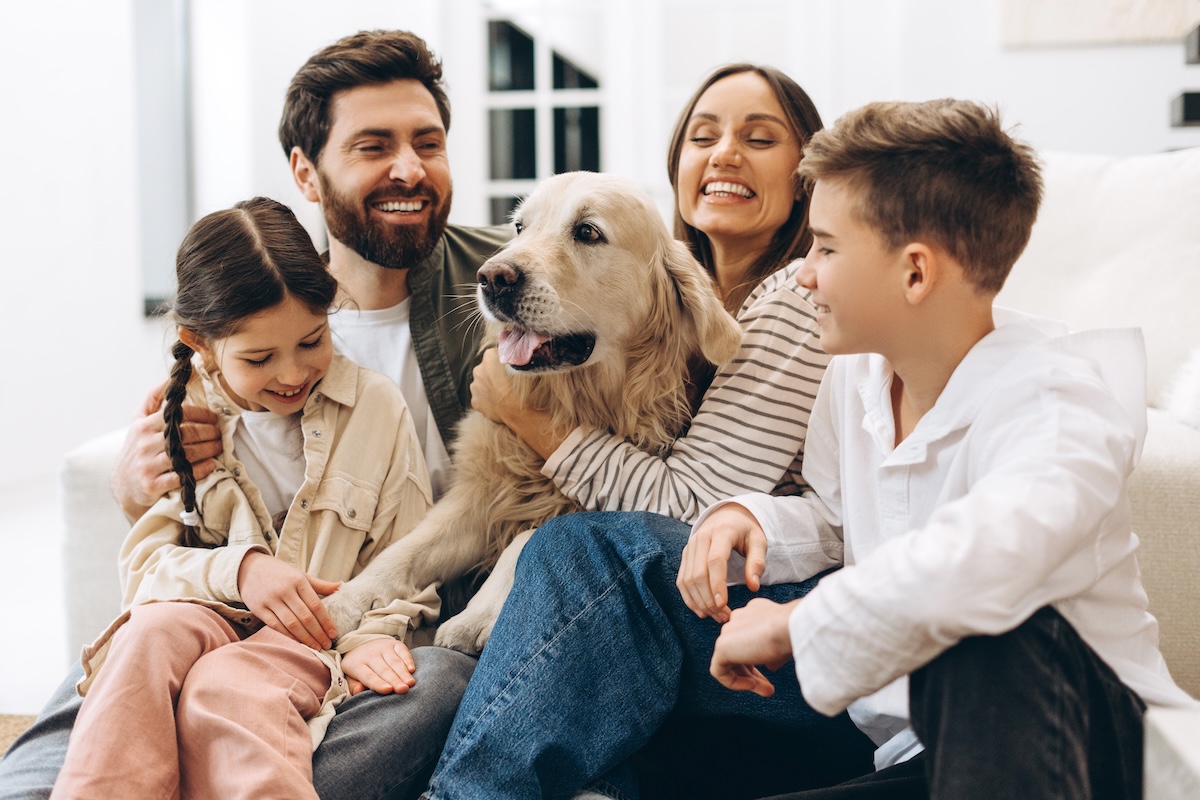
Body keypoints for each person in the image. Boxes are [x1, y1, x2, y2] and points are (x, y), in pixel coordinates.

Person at [424, 99, 1199, 800]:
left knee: (994, 640)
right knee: (591, 549)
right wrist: (750, 519)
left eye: (825, 249)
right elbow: (835, 518)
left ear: (916, 272)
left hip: (1068, 747)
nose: (800, 280)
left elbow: (987, 562)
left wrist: (797, 625)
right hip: (880, 727)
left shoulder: (1062, 401)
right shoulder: (859, 378)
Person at [0, 30, 507, 800]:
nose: (408, 167)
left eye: (427, 142)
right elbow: (154, 555)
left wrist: (368, 630)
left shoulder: (505, 284)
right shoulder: (253, 301)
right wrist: (141, 482)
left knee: (411, 690)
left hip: (372, 624)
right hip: (200, 611)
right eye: (374, 145)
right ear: (307, 171)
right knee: (123, 665)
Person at [434, 66, 874, 800]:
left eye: (759, 138)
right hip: (704, 628)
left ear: (805, 179)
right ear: (677, 166)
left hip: (782, 637)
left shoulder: (796, 297)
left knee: (580, 550)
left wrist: (527, 418)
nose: (725, 153)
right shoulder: (669, 293)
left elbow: (687, 504)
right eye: (703, 136)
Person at [49, 196, 436, 799]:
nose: (292, 373)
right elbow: (146, 572)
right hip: (203, 614)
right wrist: (242, 571)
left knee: (225, 686)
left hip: (310, 637)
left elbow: (409, 562)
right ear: (199, 343)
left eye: (312, 342)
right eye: (259, 358)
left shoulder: (376, 409)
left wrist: (368, 640)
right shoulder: (180, 420)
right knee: (142, 642)